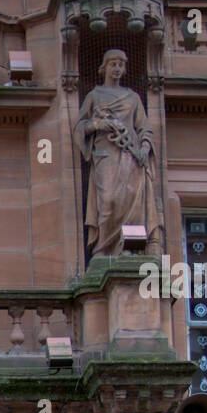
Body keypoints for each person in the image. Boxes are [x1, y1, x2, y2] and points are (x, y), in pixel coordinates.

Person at [73, 48, 163, 258]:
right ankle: (103, 248)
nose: (118, 69)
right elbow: (79, 127)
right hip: (105, 155)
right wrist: (98, 124)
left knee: (132, 199)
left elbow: (145, 128)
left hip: (131, 156)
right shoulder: (94, 96)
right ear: (104, 67)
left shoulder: (133, 98)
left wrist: (144, 148)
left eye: (121, 65)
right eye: (114, 64)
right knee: (109, 200)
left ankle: (127, 246)